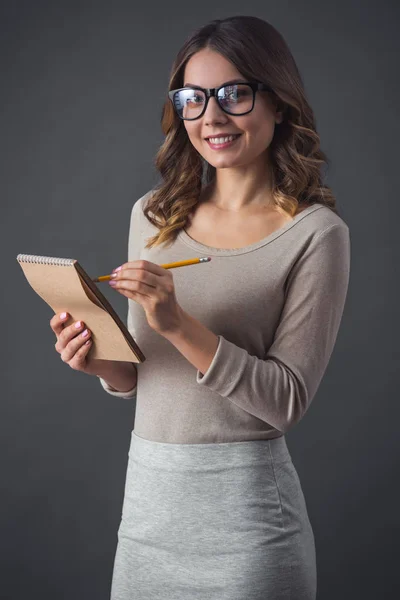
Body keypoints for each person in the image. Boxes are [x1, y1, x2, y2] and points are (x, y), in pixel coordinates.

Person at [50, 15, 350, 600]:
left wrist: (179, 323)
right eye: (193, 98)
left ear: (279, 103)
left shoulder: (317, 234)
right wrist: (100, 362)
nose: (211, 116)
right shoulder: (153, 215)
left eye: (234, 94)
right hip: (147, 515)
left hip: (249, 527)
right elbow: (146, 378)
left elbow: (286, 401)